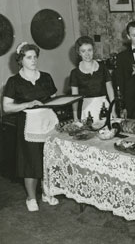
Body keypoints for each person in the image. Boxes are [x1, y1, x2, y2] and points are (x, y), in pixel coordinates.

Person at [3, 42, 59, 211]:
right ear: (20, 60)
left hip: (48, 122)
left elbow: (54, 98)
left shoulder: (46, 77)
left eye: (35, 57)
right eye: (29, 57)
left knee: (48, 159)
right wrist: (27, 104)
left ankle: (47, 192)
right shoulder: (14, 81)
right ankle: (31, 197)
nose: (33, 60)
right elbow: (6, 107)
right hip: (29, 125)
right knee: (31, 161)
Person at [70, 36, 115, 122]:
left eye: (89, 50)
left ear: (93, 50)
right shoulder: (75, 73)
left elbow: (110, 91)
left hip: (104, 107)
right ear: (79, 53)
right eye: (83, 51)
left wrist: (113, 110)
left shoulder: (102, 68)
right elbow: (74, 98)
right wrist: (75, 117)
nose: (87, 54)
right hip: (87, 109)